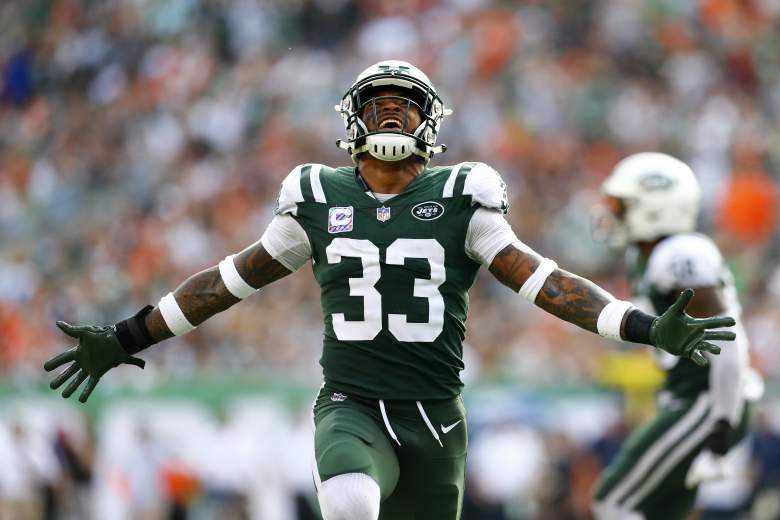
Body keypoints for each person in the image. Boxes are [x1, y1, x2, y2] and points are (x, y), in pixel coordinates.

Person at [44, 61, 736, 520]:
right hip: (351, 404)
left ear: (430, 122)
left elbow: (543, 281)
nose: (393, 118)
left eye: (405, 108)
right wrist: (127, 335)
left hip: (435, 419)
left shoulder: (464, 197)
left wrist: (643, 327)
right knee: (349, 501)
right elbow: (226, 283)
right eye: (379, 107)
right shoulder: (316, 197)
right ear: (353, 120)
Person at [591, 152, 762, 520]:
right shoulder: (647, 255)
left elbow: (726, 340)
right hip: (693, 397)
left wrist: (722, 423)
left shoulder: (679, 254)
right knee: (662, 512)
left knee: (614, 500)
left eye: (622, 205)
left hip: (708, 398)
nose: (612, 214)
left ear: (654, 209)